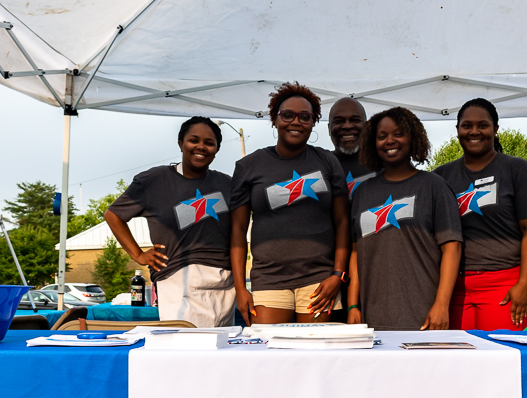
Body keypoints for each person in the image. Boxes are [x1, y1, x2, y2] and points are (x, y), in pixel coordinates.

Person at [230, 82, 349, 325]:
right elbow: (238, 231)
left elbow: (342, 221)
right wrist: (240, 288)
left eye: (305, 117)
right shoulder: (249, 166)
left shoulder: (327, 161)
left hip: (319, 279)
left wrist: (338, 274)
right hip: (268, 279)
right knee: (269, 347)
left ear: (313, 122)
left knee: (317, 348)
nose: (296, 122)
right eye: (287, 115)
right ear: (275, 119)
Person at [106, 116, 236, 327]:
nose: (201, 147)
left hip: (224, 282)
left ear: (217, 149)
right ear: (180, 143)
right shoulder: (154, 180)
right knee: (186, 343)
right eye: (193, 140)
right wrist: (138, 255)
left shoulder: (227, 184)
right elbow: (113, 215)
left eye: (209, 142)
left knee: (218, 346)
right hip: (177, 278)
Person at [433, 98, 527, 331]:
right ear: (457, 130)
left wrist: (524, 284)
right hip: (454, 287)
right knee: (457, 352)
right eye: (467, 125)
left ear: (495, 129)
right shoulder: (440, 176)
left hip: (504, 284)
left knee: (499, 350)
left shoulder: (517, 169)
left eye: (482, 125)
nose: (474, 131)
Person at [346, 107, 462, 330]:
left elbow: (452, 248)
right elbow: (355, 253)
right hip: (372, 319)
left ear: (413, 138)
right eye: (382, 136)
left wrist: (441, 304)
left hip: (424, 317)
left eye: (398, 134)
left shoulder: (434, 186)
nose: (390, 141)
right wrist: (353, 306)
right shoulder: (362, 193)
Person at [327, 97, 376, 198]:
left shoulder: (385, 162)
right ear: (329, 128)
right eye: (339, 121)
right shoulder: (321, 165)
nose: (347, 126)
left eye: (355, 120)